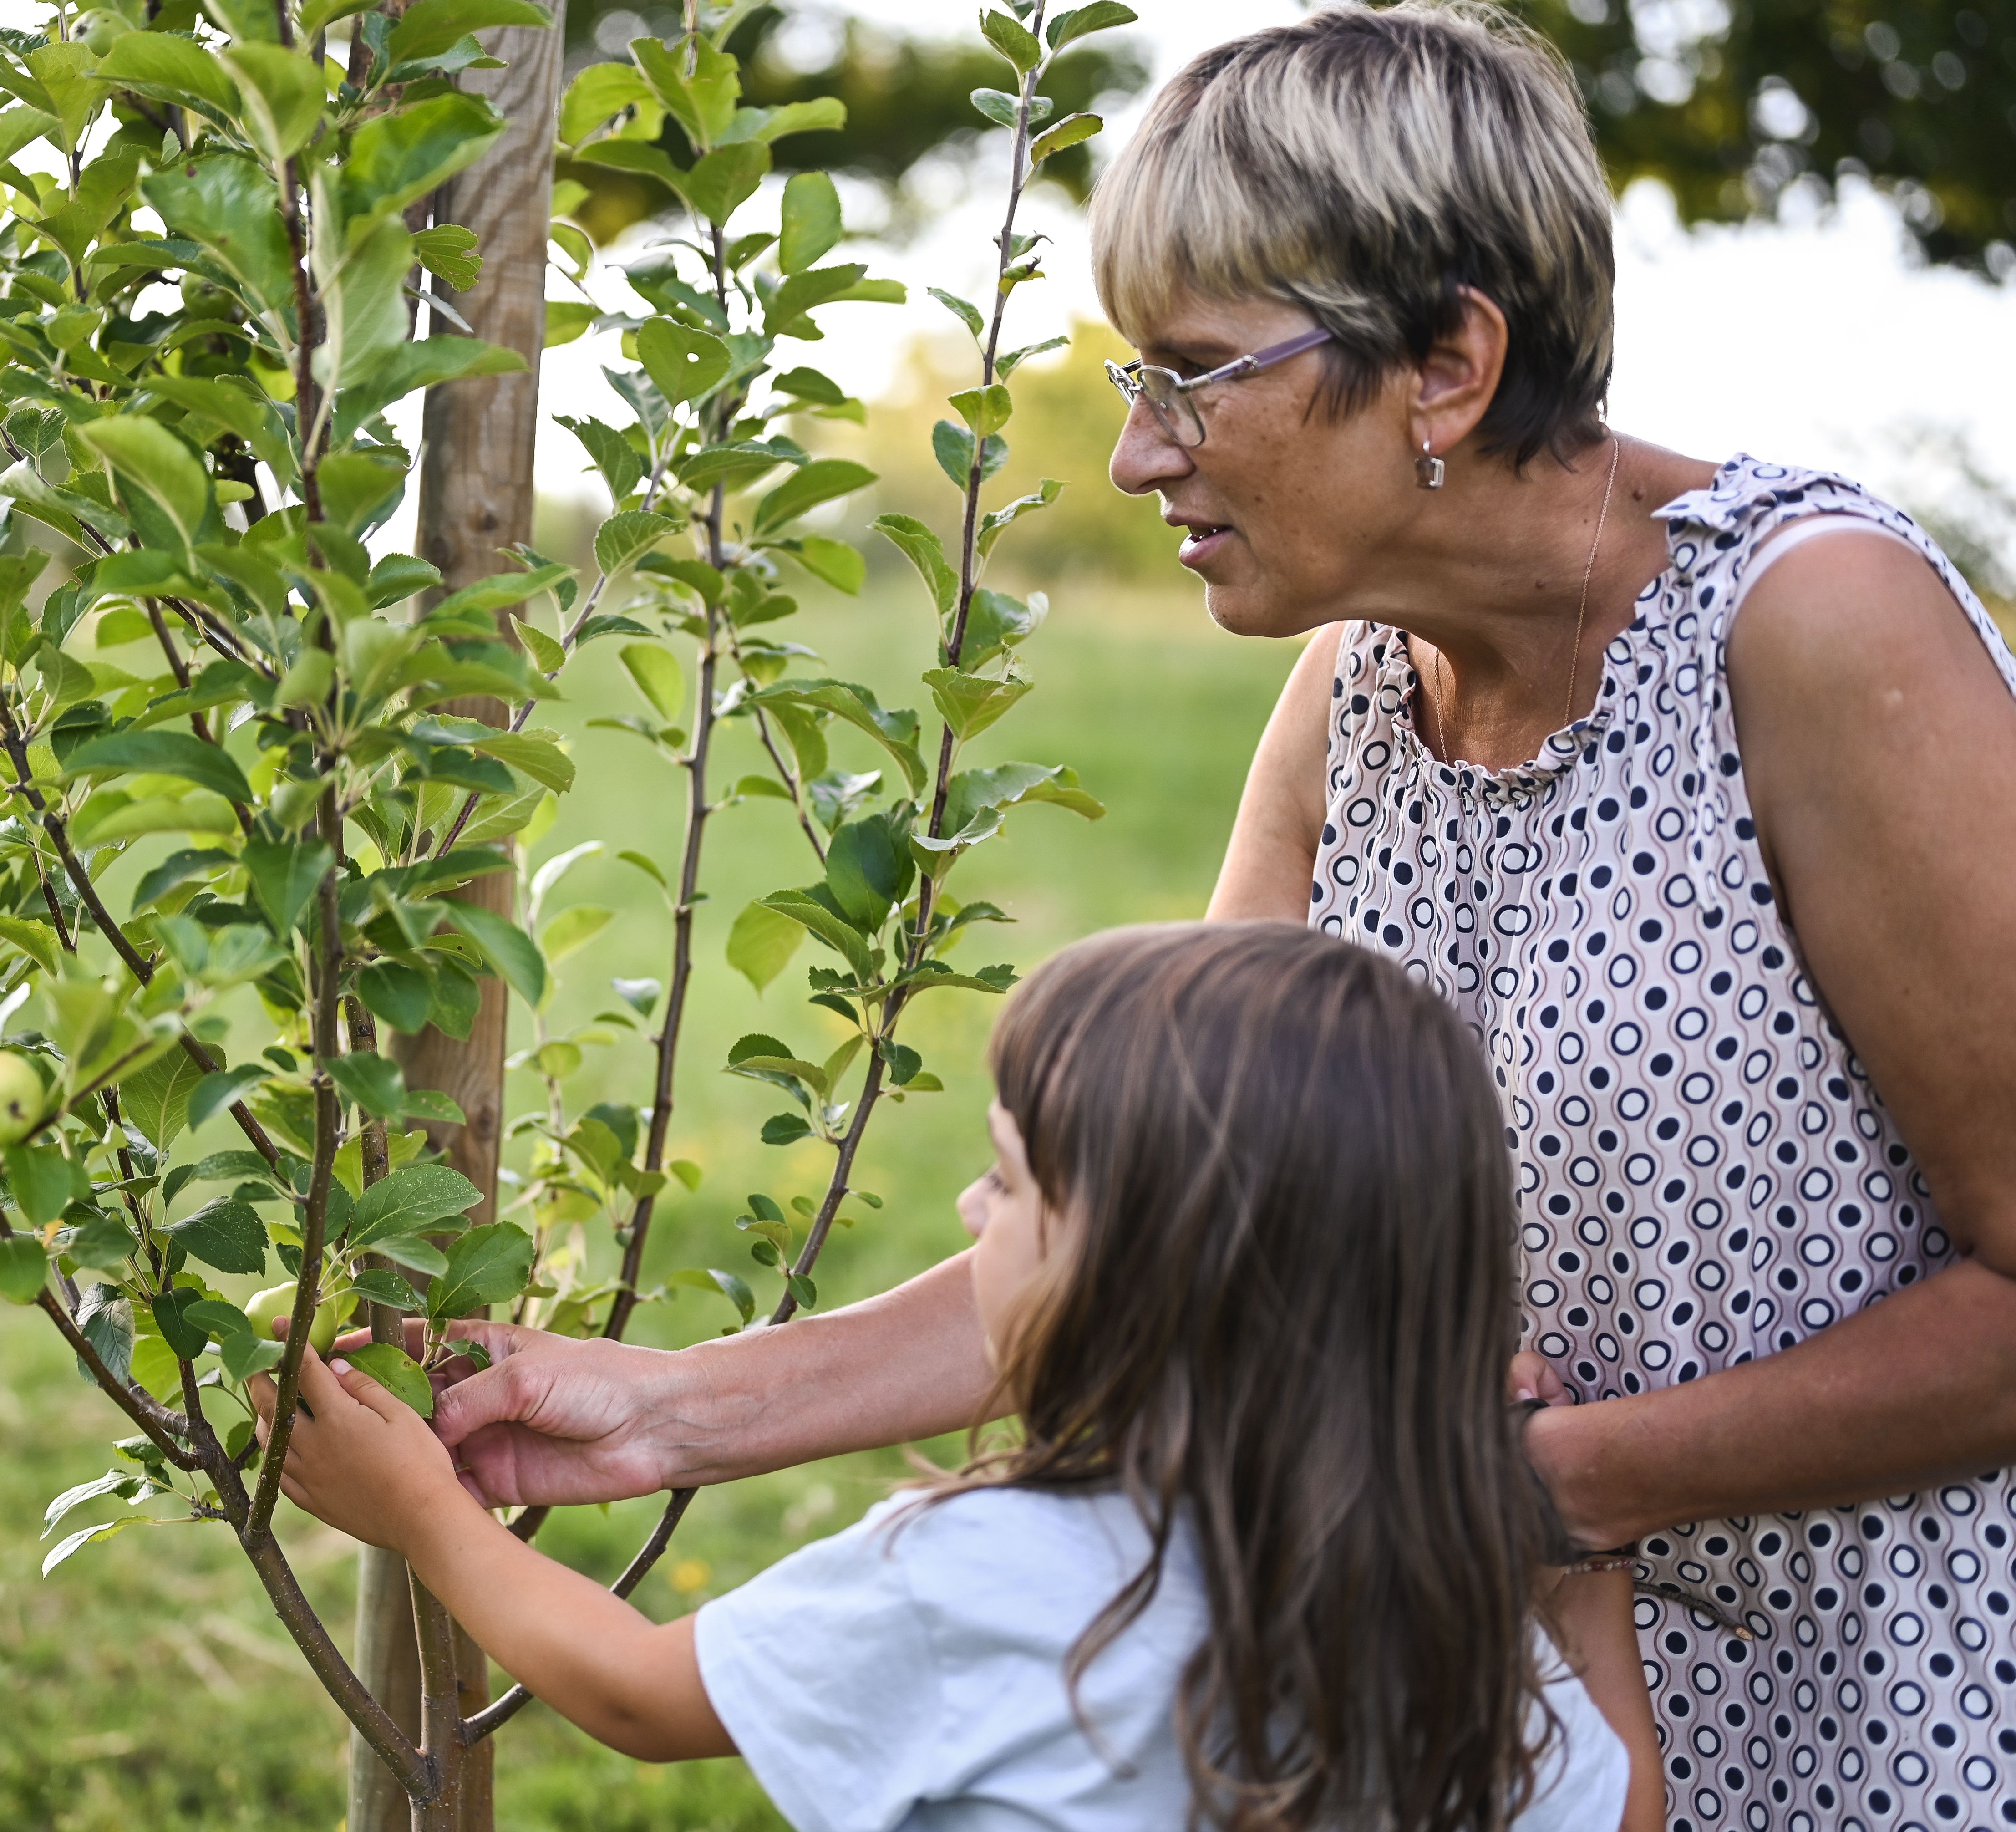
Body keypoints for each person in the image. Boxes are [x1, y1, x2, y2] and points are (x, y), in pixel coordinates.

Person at [418, 8, 2016, 1827]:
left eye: (1193, 376)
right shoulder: (1354, 697)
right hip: (1497, 1741)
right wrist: (679, 1410)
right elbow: (1166, 1215)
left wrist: (1555, 1483)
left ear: (1446, 363)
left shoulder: (1817, 632)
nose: (1136, 456)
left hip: (1881, 1725)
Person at [268, 926, 1658, 1831]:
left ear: (1141, 1275)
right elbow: (1621, 1815)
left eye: (1008, 1179)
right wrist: (1570, 1556)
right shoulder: (1446, 1618)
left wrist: (425, 1520)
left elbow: (637, 1693)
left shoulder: (987, 1575)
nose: (970, 1218)